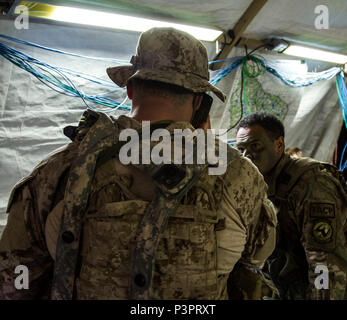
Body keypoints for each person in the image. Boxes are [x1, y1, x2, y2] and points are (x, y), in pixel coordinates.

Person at [0, 27, 277, 300]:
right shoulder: (238, 173)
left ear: (130, 89)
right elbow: (253, 260)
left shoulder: (59, 170)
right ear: (198, 100)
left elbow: (14, 281)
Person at [234, 112, 347, 300]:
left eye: (255, 146)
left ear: (279, 145)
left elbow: (325, 264)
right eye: (241, 149)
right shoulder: (259, 184)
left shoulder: (311, 183)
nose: (247, 156)